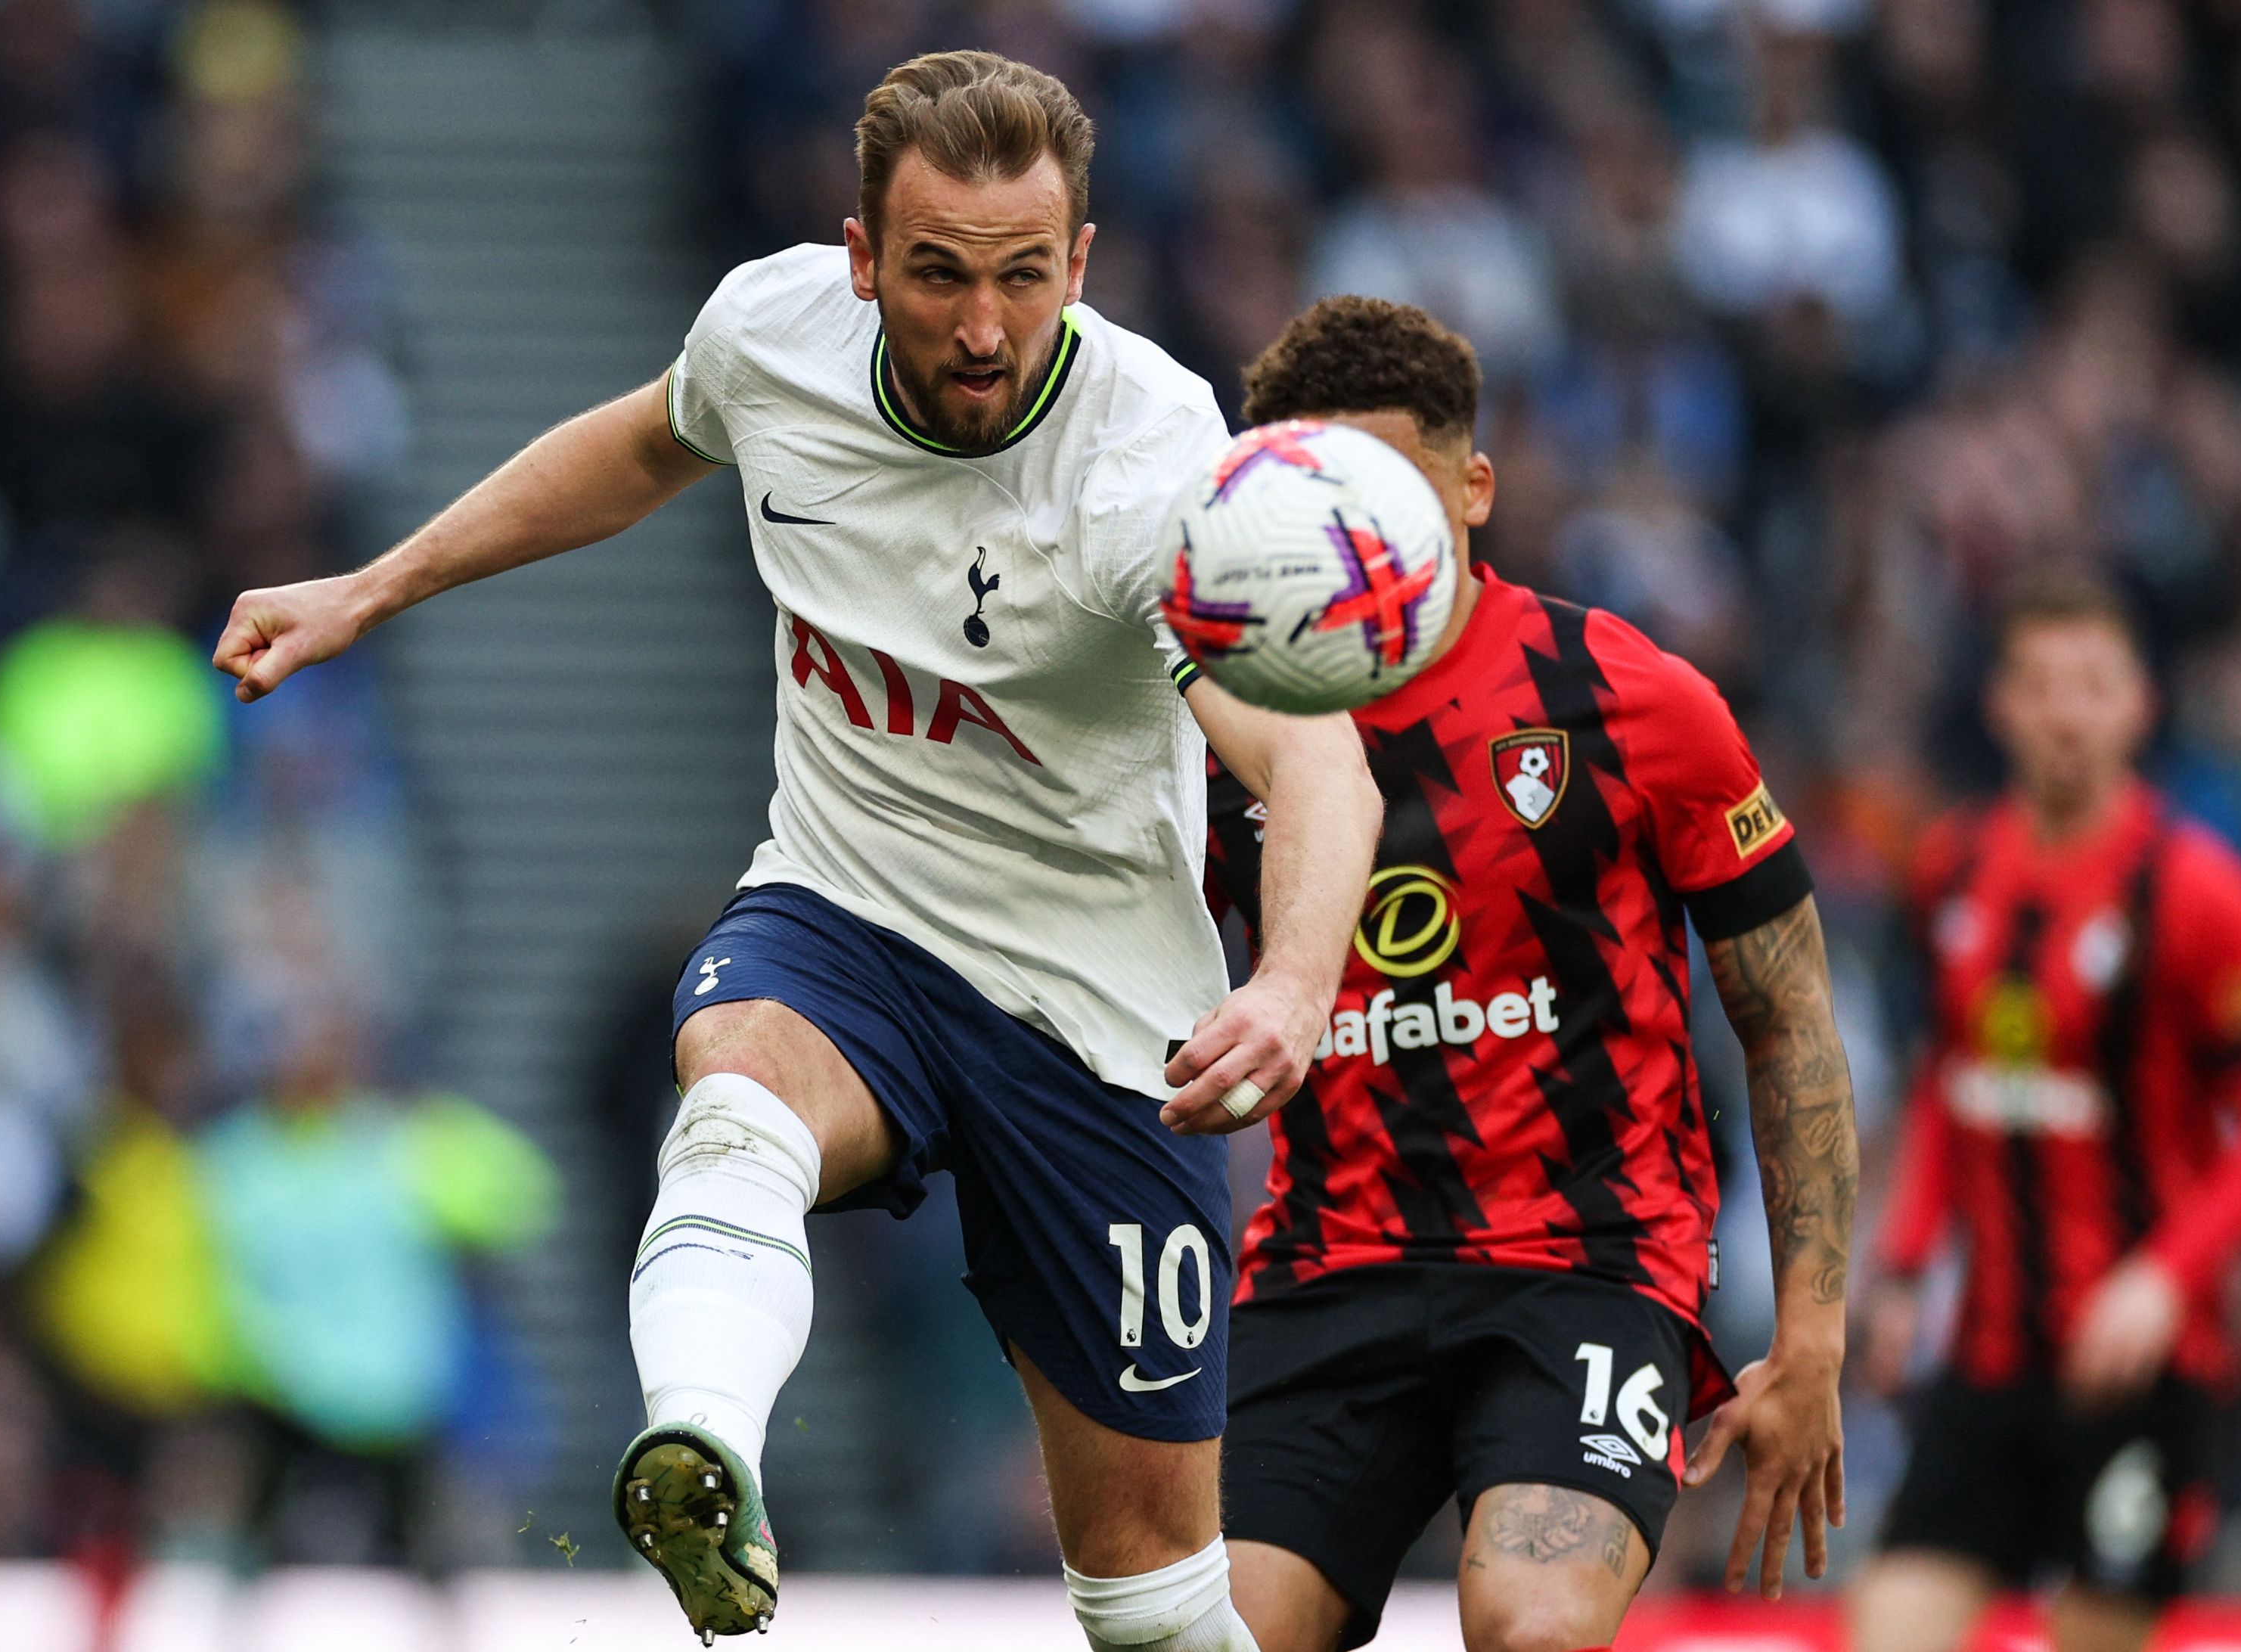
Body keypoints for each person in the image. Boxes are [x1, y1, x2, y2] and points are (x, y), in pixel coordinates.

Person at [210, 51, 1380, 1651]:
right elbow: (635, 447)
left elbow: (1310, 752)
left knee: (1155, 1612)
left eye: (1025, 278)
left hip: (1102, 1016)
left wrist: (1298, 980)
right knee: (736, 1095)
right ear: (858, 256)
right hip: (849, 912)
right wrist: (375, 585)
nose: (984, 326)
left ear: (1083, 265)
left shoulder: (1153, 464)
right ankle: (704, 1455)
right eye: (941, 275)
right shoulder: (774, 334)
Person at [1202, 297, 1857, 1652]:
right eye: (1324, 501)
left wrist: (1812, 1337)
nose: (1359, 539)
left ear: (1476, 487)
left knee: (1531, 1621)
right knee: (1208, 1637)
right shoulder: (1218, 731)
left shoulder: (1628, 700)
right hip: (1328, 1265)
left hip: (1586, 1269)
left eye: (1392, 495)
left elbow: (1786, 1017)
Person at [1851, 579, 2241, 1652]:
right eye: (2041, 686)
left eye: (2092, 687)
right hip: (1987, 1359)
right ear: (2000, 706)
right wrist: (1906, 1265)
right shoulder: (1952, 869)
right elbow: (1947, 1084)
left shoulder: (2201, 894)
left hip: (2142, 1374)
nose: (2066, 713)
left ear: (2138, 706)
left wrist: (2166, 1275)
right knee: (1884, 1633)